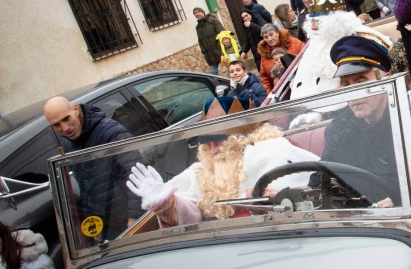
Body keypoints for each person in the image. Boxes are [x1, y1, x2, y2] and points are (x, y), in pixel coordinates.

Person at [300, 35, 411, 203]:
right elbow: (323, 176)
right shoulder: (340, 128)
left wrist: (403, 203)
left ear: (387, 80)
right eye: (346, 85)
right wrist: (301, 195)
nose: (354, 94)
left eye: (361, 82)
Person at [127, 98, 319, 226]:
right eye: (207, 143)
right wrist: (167, 204)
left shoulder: (270, 150)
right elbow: (194, 218)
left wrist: (275, 199)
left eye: (219, 140)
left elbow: (313, 196)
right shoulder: (202, 171)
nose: (213, 148)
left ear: (240, 137)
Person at [43, 97, 141, 241]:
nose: (64, 128)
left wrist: (135, 215)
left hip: (131, 219)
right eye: (56, 125)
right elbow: (85, 186)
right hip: (108, 224)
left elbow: (134, 171)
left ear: (75, 110)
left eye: (66, 119)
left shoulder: (109, 131)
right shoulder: (69, 146)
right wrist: (94, 223)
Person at [257, 23, 305, 93]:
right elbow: (265, 79)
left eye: (271, 34)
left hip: (301, 84)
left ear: (278, 33)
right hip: (280, 92)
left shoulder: (294, 42)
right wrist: (269, 96)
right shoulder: (264, 54)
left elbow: (307, 57)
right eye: (266, 37)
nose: (269, 39)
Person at [193, 7, 225, 76]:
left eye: (198, 12)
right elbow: (200, 41)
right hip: (210, 56)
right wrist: (204, 52)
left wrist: (222, 50)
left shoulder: (213, 21)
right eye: (195, 13)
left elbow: (223, 35)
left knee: (229, 70)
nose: (197, 14)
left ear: (203, 12)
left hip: (220, 52)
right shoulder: (198, 27)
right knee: (214, 74)